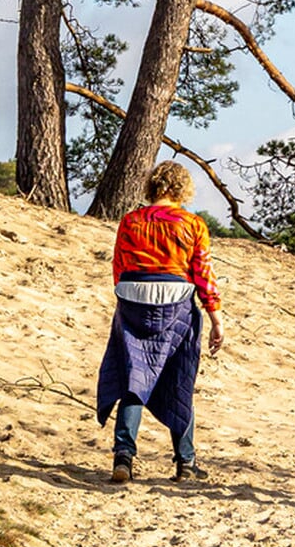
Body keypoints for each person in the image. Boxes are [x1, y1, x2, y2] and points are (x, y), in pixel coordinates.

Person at [95, 160, 226, 483]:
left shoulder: (130, 221)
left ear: (153, 187)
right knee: (180, 377)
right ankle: (186, 462)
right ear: (179, 189)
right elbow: (203, 274)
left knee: (133, 378)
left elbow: (119, 265)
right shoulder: (192, 224)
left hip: (132, 299)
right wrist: (216, 318)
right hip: (177, 301)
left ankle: (123, 457)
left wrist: (125, 301)